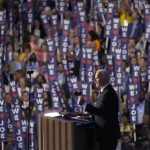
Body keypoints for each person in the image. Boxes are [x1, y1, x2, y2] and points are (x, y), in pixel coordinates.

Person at [79, 69, 121, 150]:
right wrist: (88, 118)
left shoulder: (108, 93)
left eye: (96, 78)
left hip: (108, 135)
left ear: (104, 79)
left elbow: (101, 112)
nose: (95, 80)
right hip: (104, 135)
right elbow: (102, 112)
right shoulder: (104, 92)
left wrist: (84, 105)